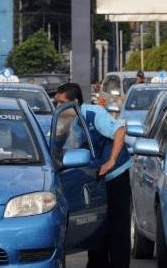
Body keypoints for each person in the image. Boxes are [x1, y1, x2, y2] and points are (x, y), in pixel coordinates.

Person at [55, 83, 132, 268]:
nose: (58, 107)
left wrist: (111, 161)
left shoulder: (92, 113)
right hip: (93, 177)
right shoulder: (66, 120)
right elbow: (58, 146)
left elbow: (120, 131)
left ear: (74, 102)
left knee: (117, 228)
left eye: (61, 103)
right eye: (56, 103)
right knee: (96, 227)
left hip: (115, 175)